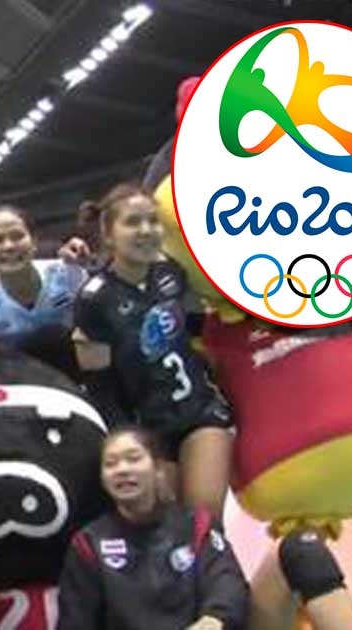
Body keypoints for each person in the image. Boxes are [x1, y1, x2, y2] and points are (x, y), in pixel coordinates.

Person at [72, 182, 233, 517]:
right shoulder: (94, 300)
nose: (146, 230)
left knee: (203, 521)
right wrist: (132, 446)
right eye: (133, 222)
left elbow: (198, 331)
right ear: (109, 235)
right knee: (166, 525)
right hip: (150, 431)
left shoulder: (171, 273)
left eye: (152, 221)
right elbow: (102, 390)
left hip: (199, 413)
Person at [59, 427, 249, 630]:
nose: (122, 469)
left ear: (158, 469)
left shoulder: (197, 526)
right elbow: (76, 621)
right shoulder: (88, 543)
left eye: (133, 458)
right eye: (110, 463)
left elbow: (227, 585)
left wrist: (213, 619)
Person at [0, 205, 87, 375]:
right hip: (15, 381)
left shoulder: (70, 275)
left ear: (34, 242)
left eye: (17, 236)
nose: (8, 246)